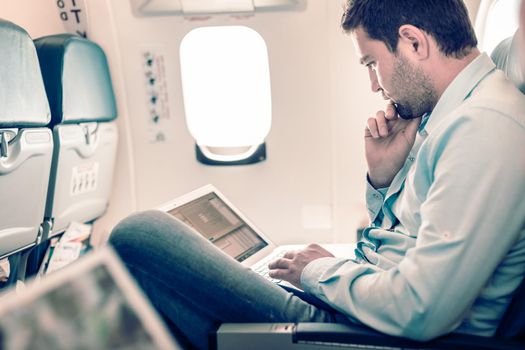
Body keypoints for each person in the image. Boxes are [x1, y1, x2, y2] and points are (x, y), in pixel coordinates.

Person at [109, 1, 525, 349]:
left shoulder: (484, 127)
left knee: (140, 236)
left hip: (380, 337)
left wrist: (318, 272)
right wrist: (383, 180)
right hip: (363, 311)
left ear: (414, 42)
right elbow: (404, 242)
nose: (374, 86)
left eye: (371, 63)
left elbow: (422, 309)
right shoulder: (449, 113)